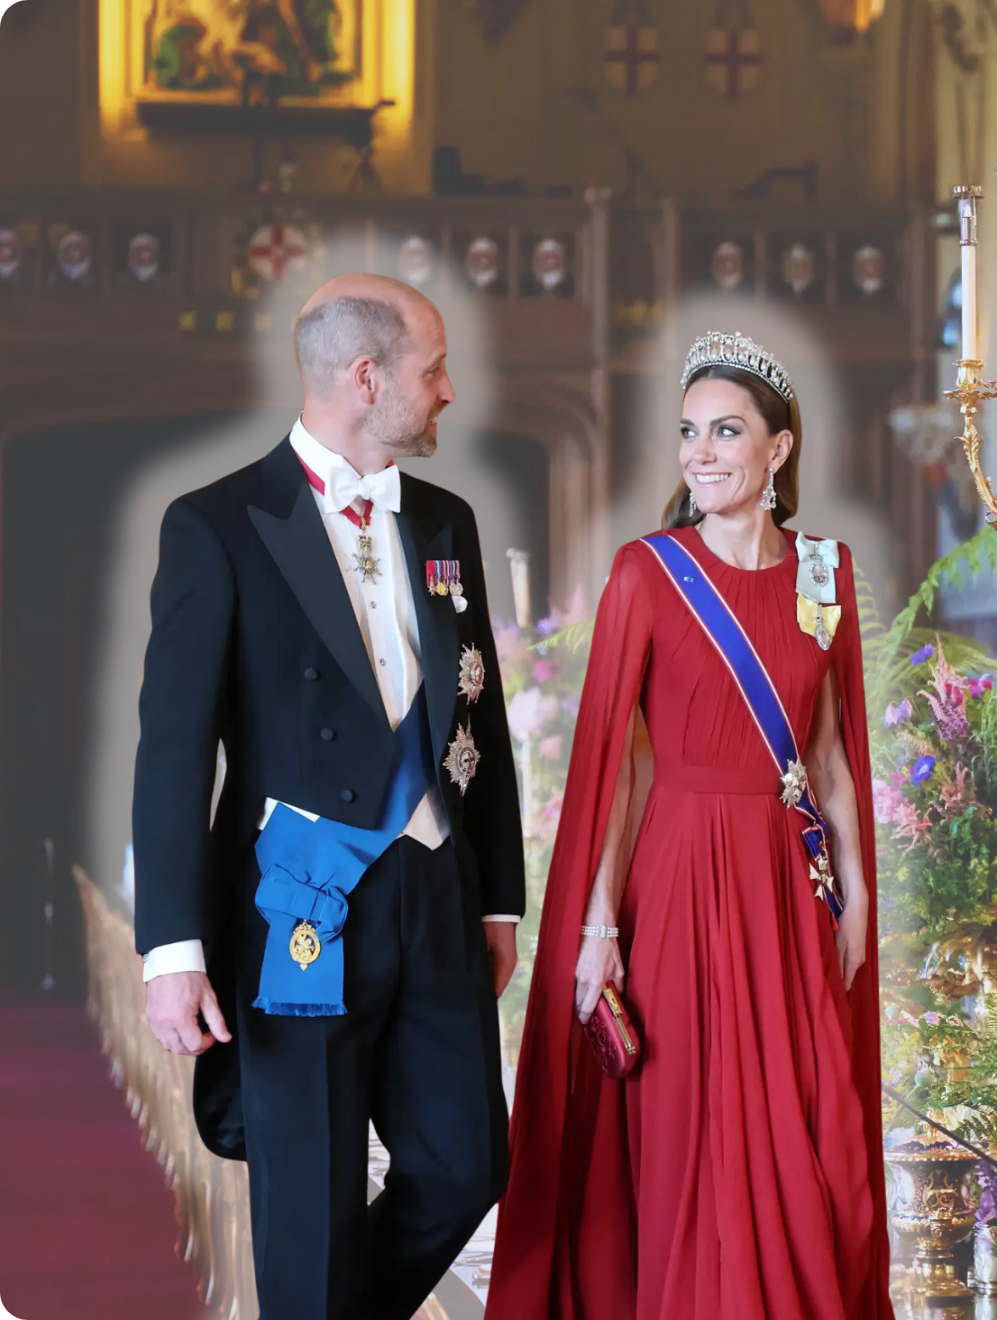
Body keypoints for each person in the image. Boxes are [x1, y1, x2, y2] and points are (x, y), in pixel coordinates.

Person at [132, 273, 525, 1320]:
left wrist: (498, 900)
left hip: (433, 894)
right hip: (297, 905)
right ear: (367, 377)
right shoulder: (217, 525)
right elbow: (172, 751)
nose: (447, 392)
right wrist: (172, 949)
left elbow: (475, 718)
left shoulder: (445, 521)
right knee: (310, 1204)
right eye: (432, 370)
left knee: (465, 1164)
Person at [487, 332, 891, 1320]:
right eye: (688, 433)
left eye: (726, 430)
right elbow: (619, 770)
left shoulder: (824, 573)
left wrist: (860, 899)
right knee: (685, 1129)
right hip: (674, 881)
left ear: (779, 451)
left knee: (813, 1130)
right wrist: (596, 927)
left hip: (786, 884)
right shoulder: (646, 573)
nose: (701, 452)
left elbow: (830, 755)